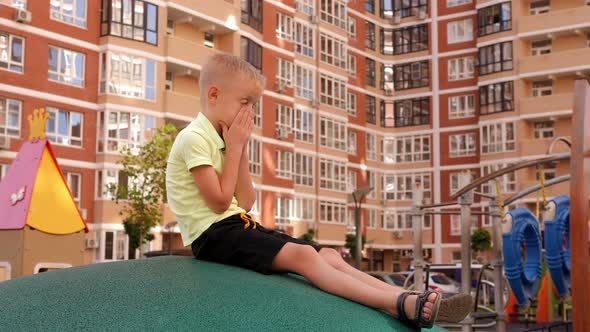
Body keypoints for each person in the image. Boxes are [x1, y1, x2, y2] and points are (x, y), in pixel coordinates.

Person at [165, 54, 472, 329]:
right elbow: (219, 204)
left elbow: (244, 202)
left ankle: (405, 295)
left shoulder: (225, 140)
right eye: (245, 103)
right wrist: (234, 147)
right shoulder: (193, 138)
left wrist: (240, 148)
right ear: (214, 95)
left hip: (236, 226)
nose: (250, 113)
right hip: (212, 237)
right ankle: (398, 306)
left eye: (254, 105)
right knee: (302, 256)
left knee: (327, 255)